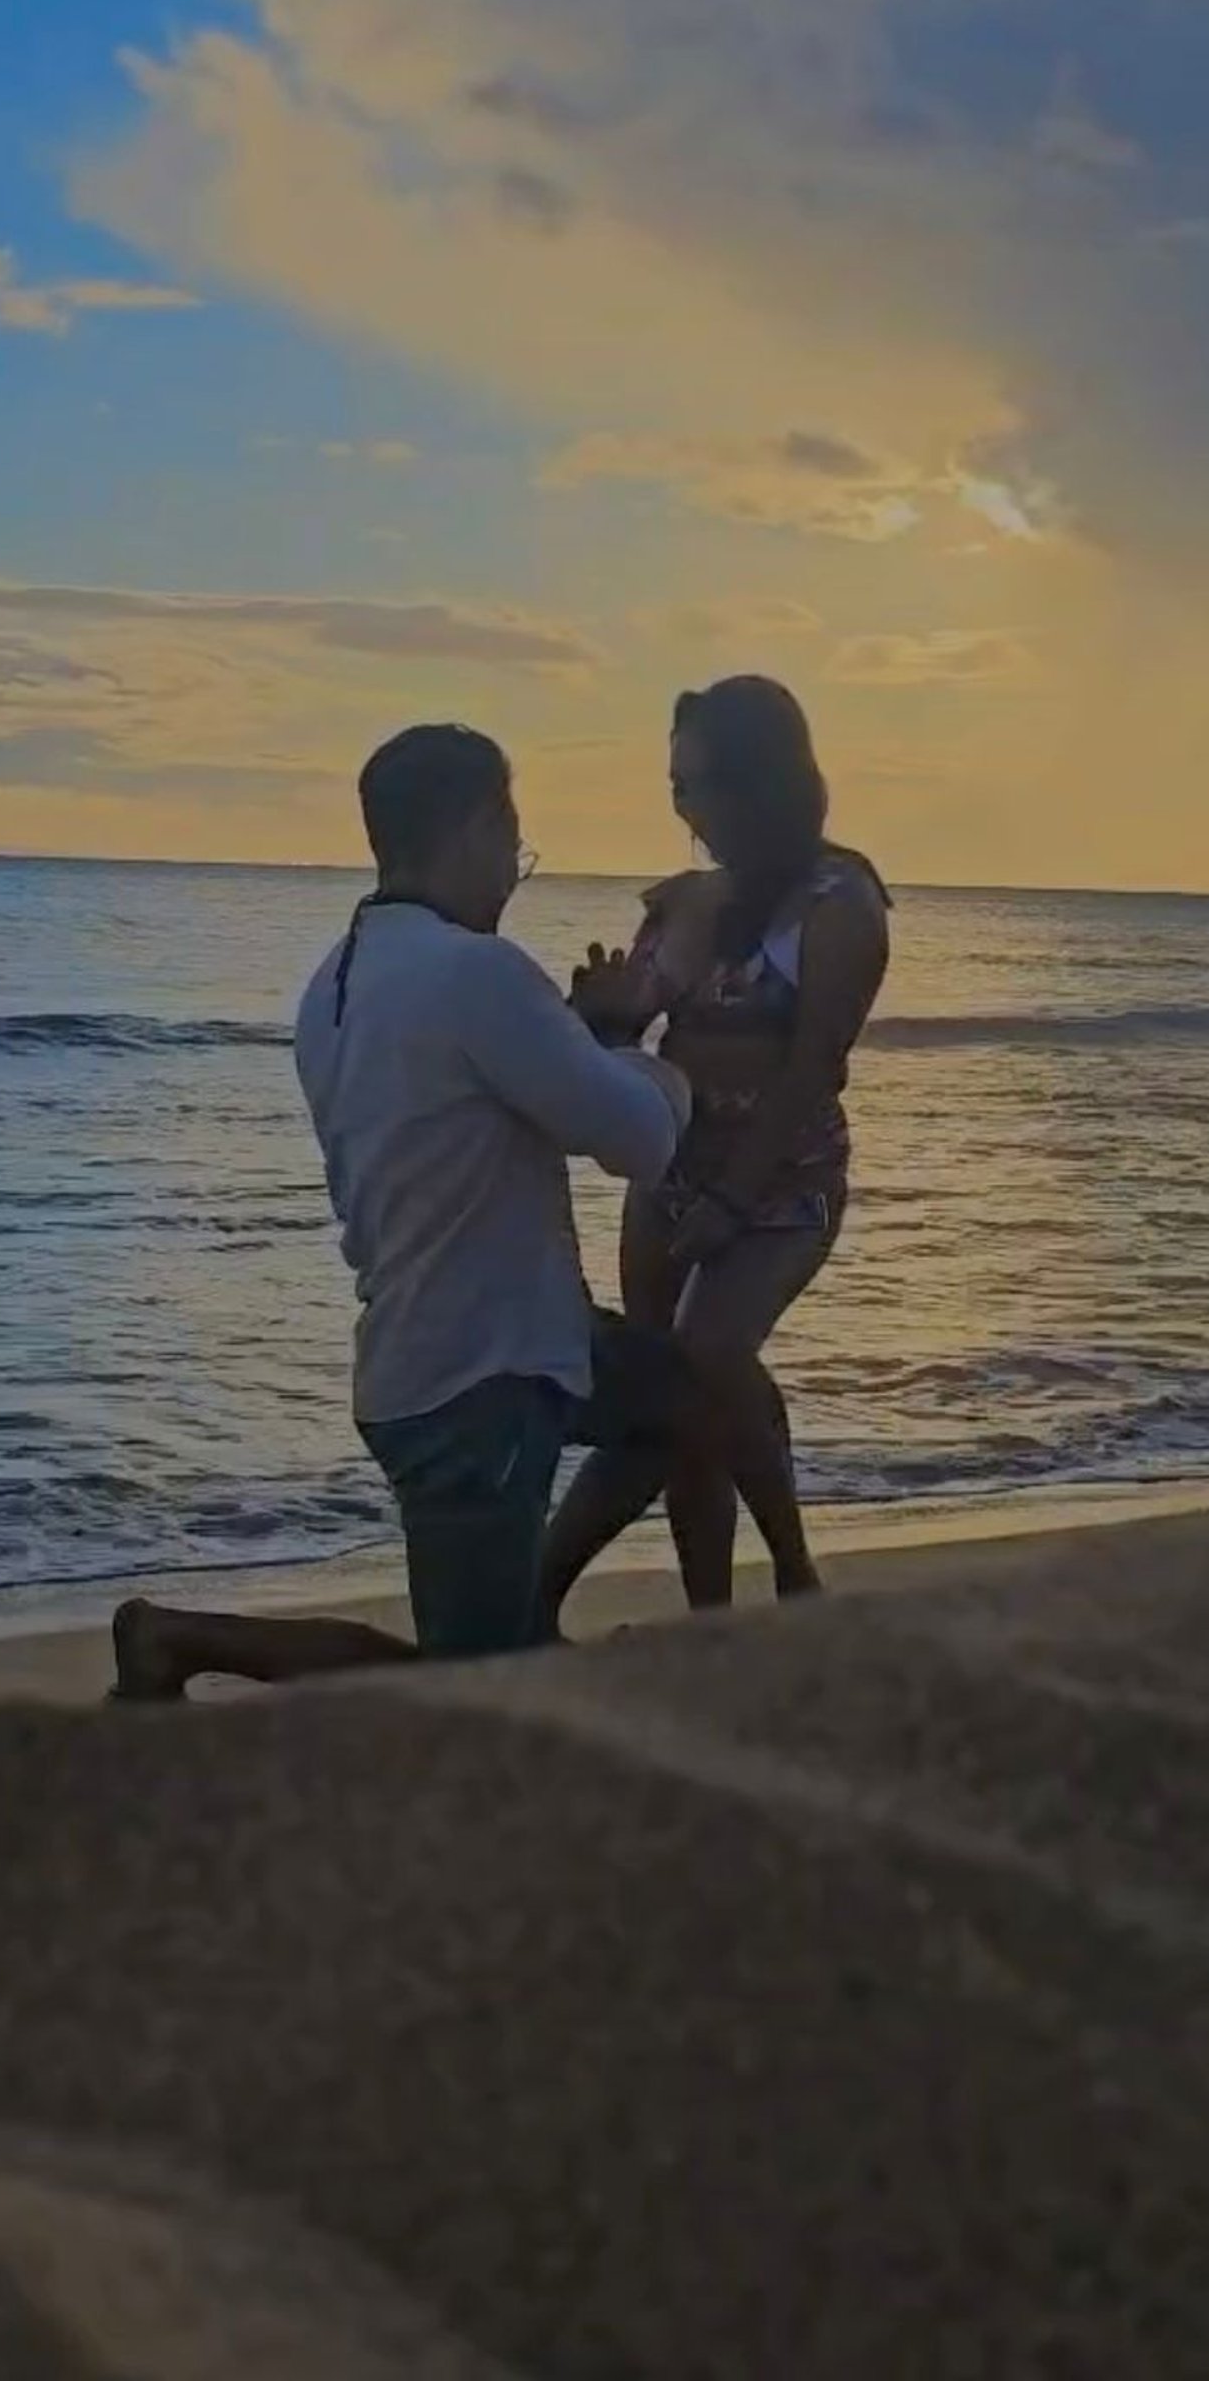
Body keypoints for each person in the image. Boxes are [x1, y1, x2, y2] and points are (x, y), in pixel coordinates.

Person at [111, 723, 816, 1700]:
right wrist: (641, 1036)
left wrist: (592, 1038)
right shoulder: (472, 972)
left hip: (517, 1347)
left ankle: (652, 1606)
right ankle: (174, 1639)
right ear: (485, 822)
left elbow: (484, 1106)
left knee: (704, 1398)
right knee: (462, 1684)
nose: (513, 873)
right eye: (514, 844)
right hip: (473, 1386)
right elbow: (640, 1139)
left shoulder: (338, 984)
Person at [552, 676, 889, 1614]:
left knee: (709, 1349)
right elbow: (639, 1036)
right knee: (674, 1397)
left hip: (783, 1187)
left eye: (695, 783)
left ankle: (794, 1572)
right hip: (670, 1177)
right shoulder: (684, 904)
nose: (682, 806)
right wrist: (606, 1022)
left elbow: (812, 1067)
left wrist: (734, 1201)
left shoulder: (841, 904)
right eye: (674, 785)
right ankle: (710, 1614)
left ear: (762, 781)